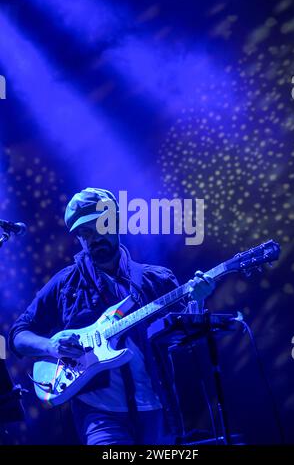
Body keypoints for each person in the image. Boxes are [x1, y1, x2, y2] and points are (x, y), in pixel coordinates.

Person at [8, 188, 215, 445]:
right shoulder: (64, 284)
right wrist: (51, 346)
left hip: (156, 405)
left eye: (99, 227)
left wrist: (197, 298)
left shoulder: (156, 278)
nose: (94, 239)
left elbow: (185, 336)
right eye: (85, 234)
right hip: (99, 414)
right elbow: (19, 333)